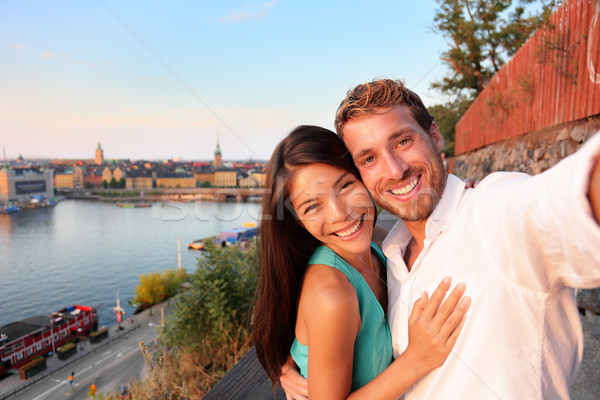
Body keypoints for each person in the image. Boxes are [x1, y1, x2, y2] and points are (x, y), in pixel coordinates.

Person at [282, 79, 600, 399]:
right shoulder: (389, 251)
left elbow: (562, 200)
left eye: (403, 141)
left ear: (435, 135)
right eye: (369, 158)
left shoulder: (493, 213)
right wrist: (295, 360)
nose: (394, 170)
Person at [253, 125, 471, 399]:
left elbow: (420, 222)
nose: (340, 214)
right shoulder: (332, 295)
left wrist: (462, 198)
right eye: (312, 206)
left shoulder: (376, 241)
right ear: (298, 221)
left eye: (345, 186)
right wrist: (417, 359)